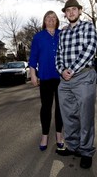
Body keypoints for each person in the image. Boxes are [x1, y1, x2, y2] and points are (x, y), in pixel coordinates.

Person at [55, 0, 97, 169]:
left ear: (80, 11)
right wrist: (61, 70)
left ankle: (86, 151)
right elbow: (58, 54)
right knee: (68, 115)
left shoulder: (87, 27)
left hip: (84, 76)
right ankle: (73, 146)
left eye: (74, 9)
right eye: (68, 10)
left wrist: (71, 69)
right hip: (65, 80)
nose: (71, 12)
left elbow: (90, 49)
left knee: (85, 116)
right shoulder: (63, 33)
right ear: (65, 14)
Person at [29, 10, 64, 152]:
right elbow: (33, 57)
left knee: (61, 108)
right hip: (45, 77)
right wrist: (33, 74)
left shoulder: (62, 34)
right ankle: (44, 136)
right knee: (46, 107)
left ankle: (59, 135)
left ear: (57, 21)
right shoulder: (38, 37)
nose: (51, 19)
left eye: (54, 17)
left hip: (62, 77)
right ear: (44, 21)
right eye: (48, 17)